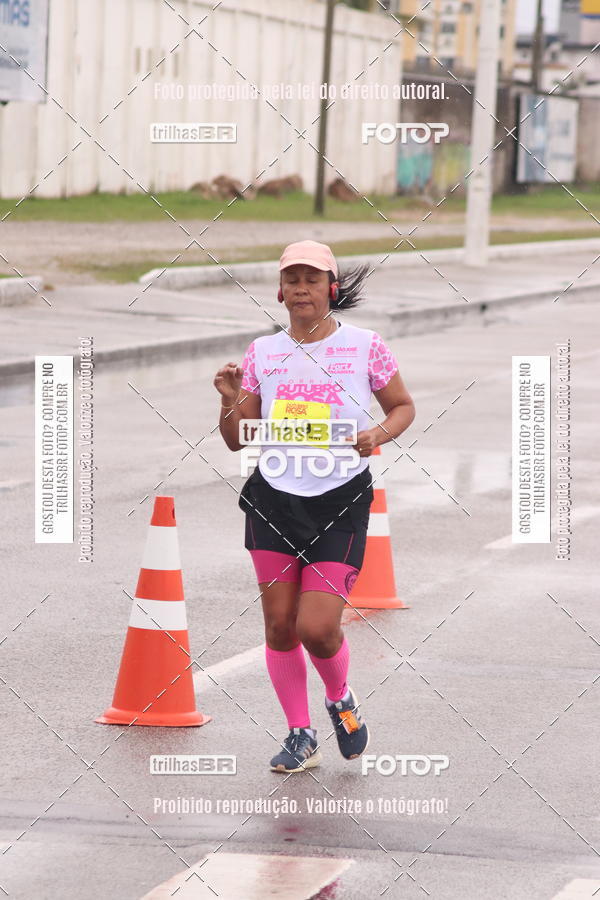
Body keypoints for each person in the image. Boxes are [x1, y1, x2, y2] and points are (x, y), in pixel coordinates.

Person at [214, 240, 415, 774]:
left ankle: (340, 698)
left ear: (332, 288)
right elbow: (239, 439)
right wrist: (230, 397)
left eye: (312, 278)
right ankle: (300, 734)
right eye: (292, 279)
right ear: (280, 292)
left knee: (317, 627)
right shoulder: (263, 352)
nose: (301, 288)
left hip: (339, 497)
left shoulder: (365, 346)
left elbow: (402, 406)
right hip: (274, 500)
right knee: (280, 626)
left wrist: (378, 433)